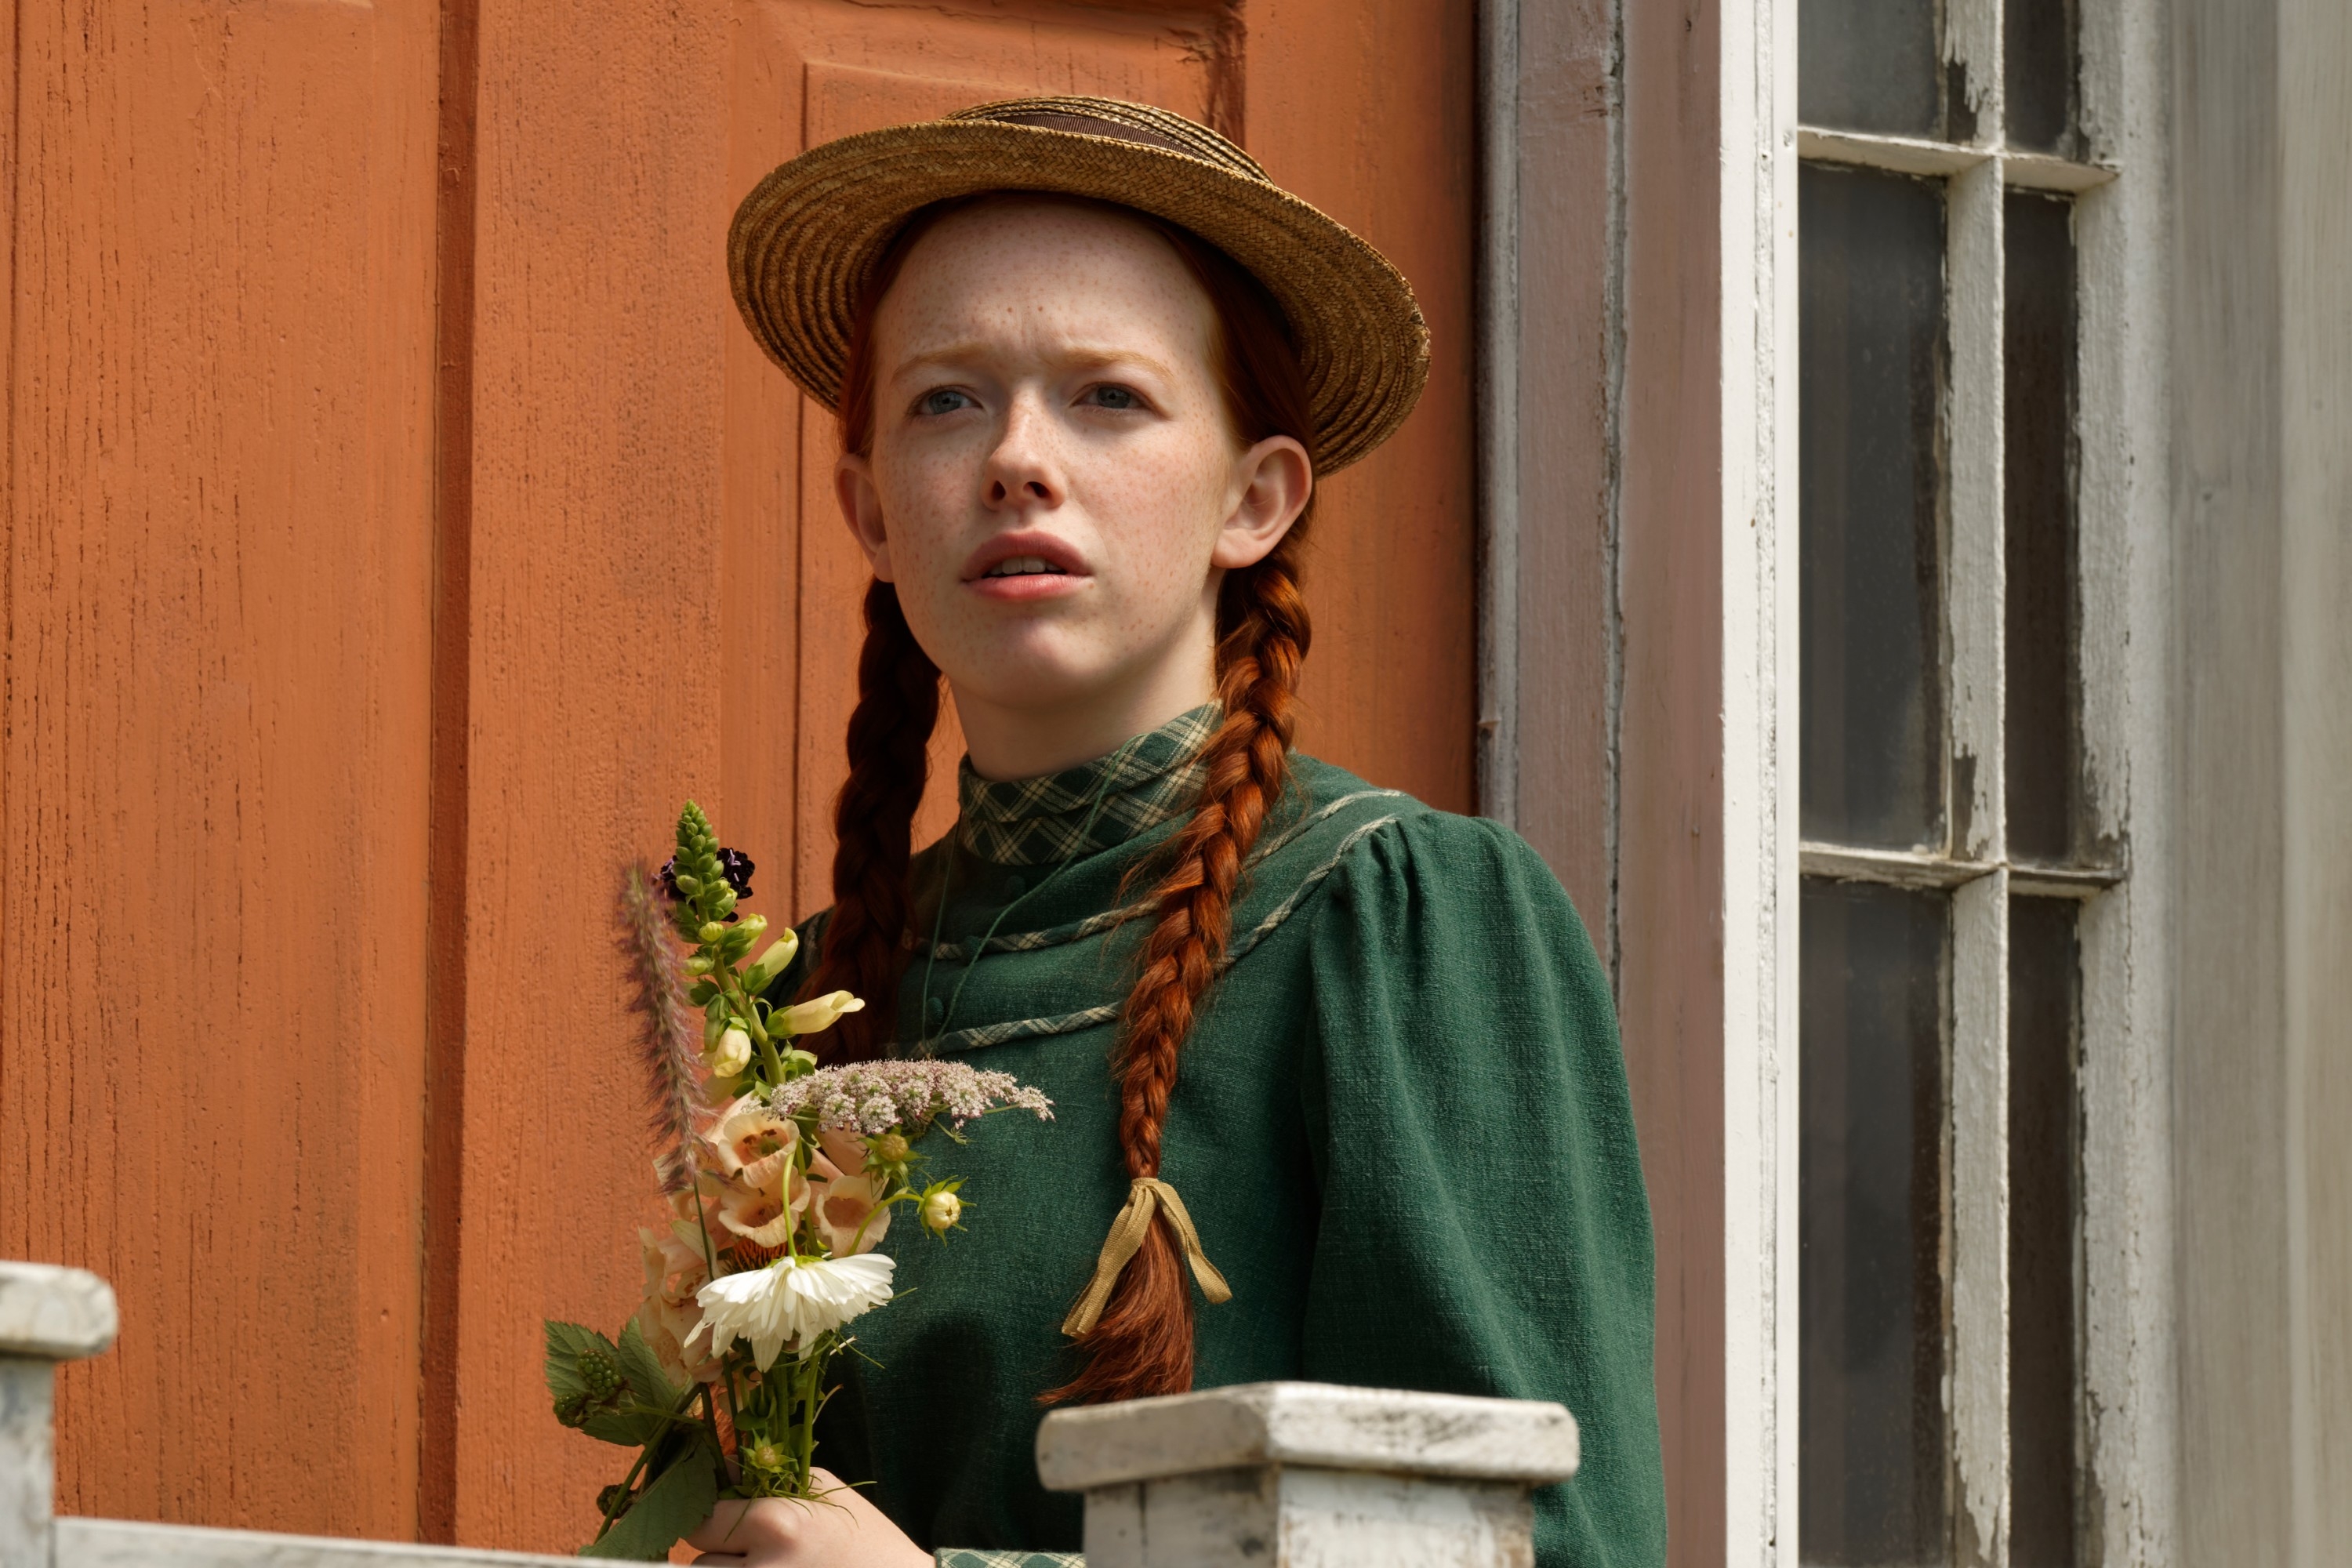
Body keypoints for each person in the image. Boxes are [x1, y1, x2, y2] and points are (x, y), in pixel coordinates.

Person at [686, 96, 1664, 1568]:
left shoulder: (1397, 925)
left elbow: (1551, 1550)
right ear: (871, 512)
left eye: (1108, 398)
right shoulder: (810, 1000)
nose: (1017, 458)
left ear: (1254, 499)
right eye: (947, 401)